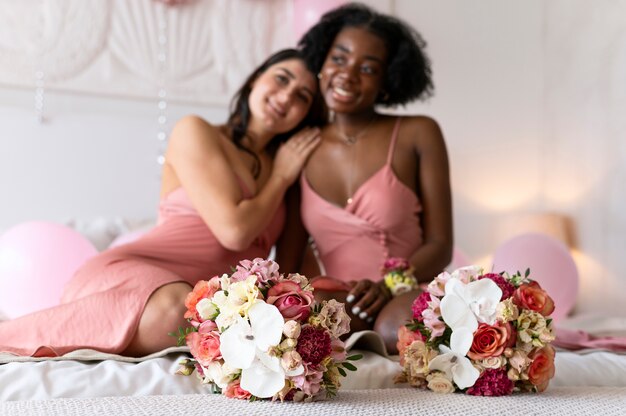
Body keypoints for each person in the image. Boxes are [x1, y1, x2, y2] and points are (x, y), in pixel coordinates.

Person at [0, 48, 325, 358]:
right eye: (281, 79)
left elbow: (287, 270)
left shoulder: (291, 167)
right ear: (255, 79)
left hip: (207, 305)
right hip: (130, 277)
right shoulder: (197, 131)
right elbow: (235, 233)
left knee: (194, 317)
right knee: (175, 310)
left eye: (302, 97)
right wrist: (280, 176)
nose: (286, 97)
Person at [293, 3, 453, 354]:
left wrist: (387, 285)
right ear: (321, 61)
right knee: (312, 322)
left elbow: (441, 244)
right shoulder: (299, 145)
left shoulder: (418, 133)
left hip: (407, 289)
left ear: (387, 81)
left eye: (367, 68)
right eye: (339, 58)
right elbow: (290, 258)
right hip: (340, 294)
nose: (347, 75)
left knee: (395, 331)